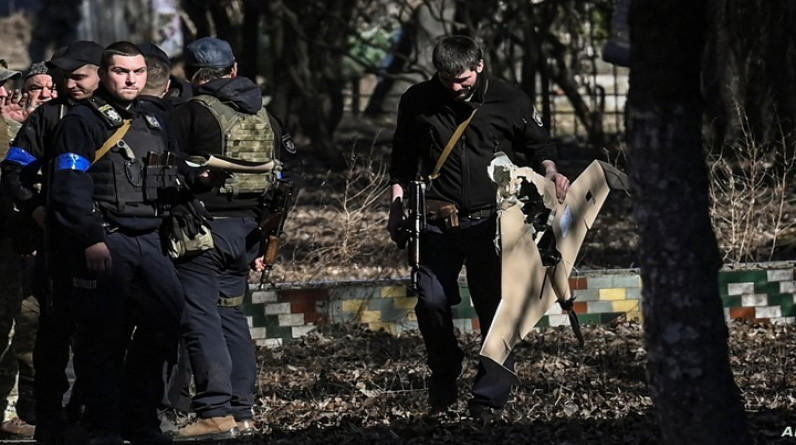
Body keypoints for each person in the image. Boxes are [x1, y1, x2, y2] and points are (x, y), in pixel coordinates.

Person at [387, 35, 570, 417]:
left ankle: (488, 400)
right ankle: (445, 369)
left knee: (496, 310)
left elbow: (539, 147)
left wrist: (551, 173)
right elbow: (402, 157)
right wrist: (396, 203)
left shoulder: (509, 98)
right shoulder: (418, 100)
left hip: (496, 222)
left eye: (463, 79)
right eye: (447, 79)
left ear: (480, 66)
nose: (455, 87)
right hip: (435, 221)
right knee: (430, 299)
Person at [48, 41, 187, 444]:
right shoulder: (81, 121)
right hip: (107, 238)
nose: (130, 79)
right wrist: (89, 238)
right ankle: (104, 424)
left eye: (138, 72)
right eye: (121, 72)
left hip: (151, 238)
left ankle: (139, 419)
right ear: (104, 74)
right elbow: (69, 187)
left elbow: (171, 170)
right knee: (102, 336)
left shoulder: (157, 117)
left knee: (166, 321)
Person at [167, 36, 290, 441]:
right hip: (248, 234)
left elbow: (168, 171)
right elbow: (291, 176)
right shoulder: (266, 117)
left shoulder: (188, 113)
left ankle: (215, 411)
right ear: (234, 69)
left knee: (200, 318)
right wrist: (267, 232)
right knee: (231, 317)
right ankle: (242, 410)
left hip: (201, 233)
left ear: (189, 74)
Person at [1, 40, 104, 444]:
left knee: (108, 335)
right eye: (63, 77)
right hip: (56, 245)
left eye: (78, 76)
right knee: (51, 335)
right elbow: (15, 171)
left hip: (120, 243)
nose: (66, 84)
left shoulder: (135, 117)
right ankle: (52, 418)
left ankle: (100, 413)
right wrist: (37, 212)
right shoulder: (48, 117)